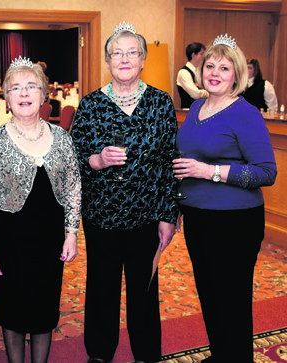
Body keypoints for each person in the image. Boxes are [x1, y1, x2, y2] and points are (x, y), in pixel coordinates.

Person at [70, 22, 178, 363]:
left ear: (143, 59)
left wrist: (168, 215)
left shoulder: (161, 104)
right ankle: (99, 354)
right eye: (117, 53)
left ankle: (147, 354)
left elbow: (169, 162)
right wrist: (98, 160)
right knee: (101, 288)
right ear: (107, 60)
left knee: (144, 291)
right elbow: (73, 158)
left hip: (147, 216)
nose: (125, 58)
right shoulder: (90, 105)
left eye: (132, 52)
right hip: (101, 214)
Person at [173, 34, 277, 362]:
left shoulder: (246, 114)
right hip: (199, 218)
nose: (215, 72)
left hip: (234, 223)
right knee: (209, 294)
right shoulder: (198, 107)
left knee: (231, 301)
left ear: (237, 75)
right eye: (210, 66)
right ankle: (222, 355)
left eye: (224, 67)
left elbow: (265, 172)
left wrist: (210, 172)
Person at [0, 56, 81, 363]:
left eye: (31, 86)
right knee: (13, 312)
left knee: (45, 311)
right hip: (9, 242)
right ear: (6, 97)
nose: (23, 93)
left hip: (49, 240)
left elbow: (73, 187)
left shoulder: (61, 138)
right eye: (15, 88)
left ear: (44, 94)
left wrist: (72, 234)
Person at [177, 42, 209, 108]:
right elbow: (195, 94)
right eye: (202, 54)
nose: (204, 57)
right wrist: (210, 93)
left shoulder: (200, 71)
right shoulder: (184, 73)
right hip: (188, 111)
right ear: (193, 55)